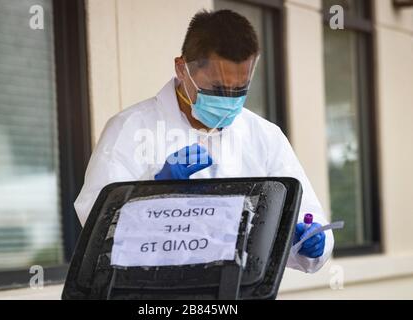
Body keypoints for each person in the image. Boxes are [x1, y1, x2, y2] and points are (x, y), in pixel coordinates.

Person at [74, 9, 334, 273]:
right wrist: (153, 192)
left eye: (240, 89)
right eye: (217, 89)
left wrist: (307, 240)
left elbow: (306, 224)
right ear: (181, 68)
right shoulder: (129, 129)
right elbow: (97, 230)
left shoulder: (264, 137)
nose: (229, 99)